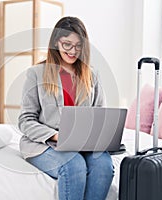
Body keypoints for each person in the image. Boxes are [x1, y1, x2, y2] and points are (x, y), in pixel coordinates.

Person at [18, 16, 113, 200]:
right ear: (56, 42)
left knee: (103, 167)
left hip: (84, 144)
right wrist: (56, 136)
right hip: (44, 144)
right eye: (67, 44)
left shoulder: (91, 75)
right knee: (73, 165)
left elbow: (101, 114)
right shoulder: (36, 74)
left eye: (78, 46)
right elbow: (25, 120)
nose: (73, 51)